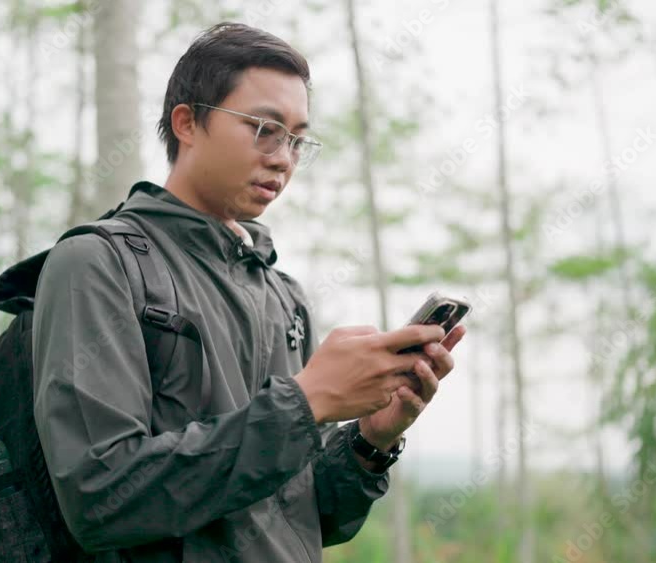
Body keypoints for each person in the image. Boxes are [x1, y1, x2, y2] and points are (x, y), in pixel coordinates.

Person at [30, 22, 466, 562]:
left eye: (298, 139)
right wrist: (306, 403)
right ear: (187, 123)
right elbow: (100, 498)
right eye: (264, 127)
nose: (284, 157)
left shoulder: (283, 296)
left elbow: (304, 515)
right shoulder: (98, 263)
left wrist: (369, 441)